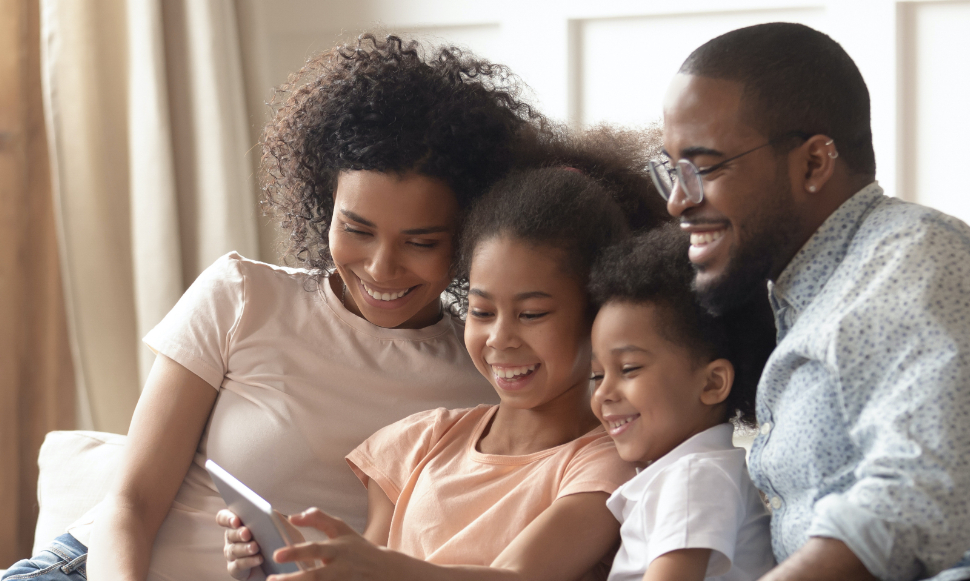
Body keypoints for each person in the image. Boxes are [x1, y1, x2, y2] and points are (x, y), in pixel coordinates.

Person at [3, 34, 542, 581]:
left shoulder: (487, 381)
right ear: (322, 204)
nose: (381, 268)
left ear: (470, 237)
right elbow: (130, 505)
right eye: (356, 229)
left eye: (421, 242)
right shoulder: (241, 296)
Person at [655, 21, 970, 581]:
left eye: (704, 168)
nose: (678, 201)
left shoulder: (918, 260)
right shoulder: (805, 290)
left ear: (813, 163)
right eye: (670, 170)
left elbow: (910, 503)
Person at [223, 165, 669, 581]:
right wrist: (294, 555)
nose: (501, 338)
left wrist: (380, 568)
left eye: (532, 314)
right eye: (481, 310)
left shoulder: (606, 465)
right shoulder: (421, 441)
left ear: (598, 317)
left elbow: (519, 575)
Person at [588, 225, 776, 581]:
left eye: (628, 368)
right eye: (597, 375)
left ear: (712, 383)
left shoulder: (695, 477)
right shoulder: (686, 473)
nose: (603, 393)